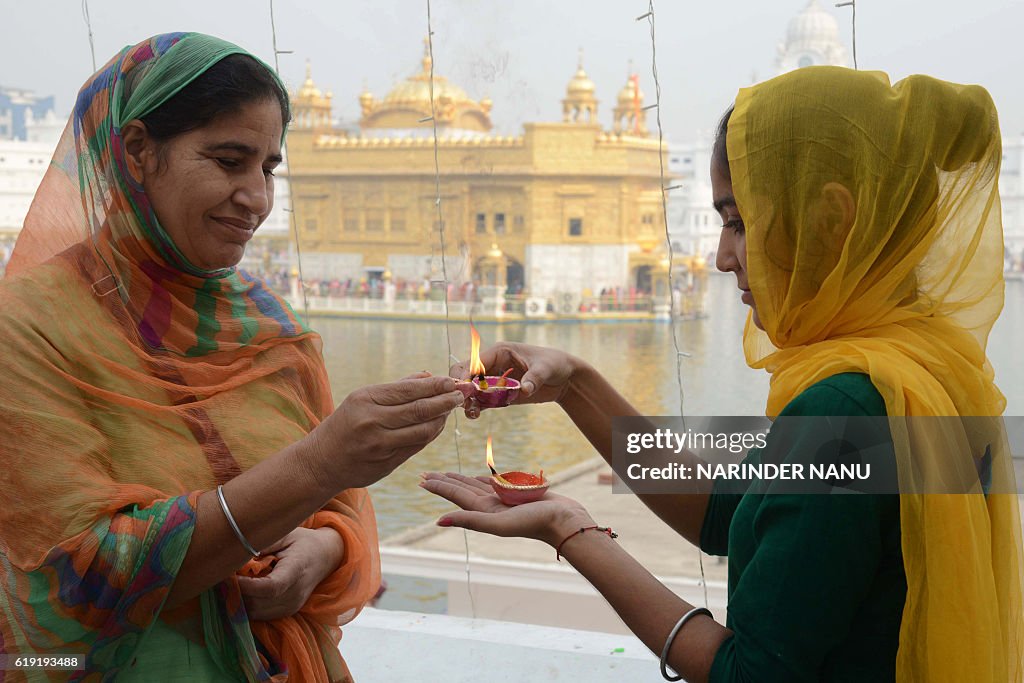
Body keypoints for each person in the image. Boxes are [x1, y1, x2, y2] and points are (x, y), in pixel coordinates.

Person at [422, 67, 1023, 682]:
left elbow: (749, 672)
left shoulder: (842, 403)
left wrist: (569, 528)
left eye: (738, 223)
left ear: (832, 219)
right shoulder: (926, 366)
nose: (721, 257)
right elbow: (727, 517)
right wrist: (575, 383)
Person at [0, 33, 465, 681]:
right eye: (228, 160)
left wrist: (327, 546)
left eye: (268, 168)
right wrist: (319, 461)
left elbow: (343, 505)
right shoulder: (26, 323)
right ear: (137, 151)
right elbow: (78, 571)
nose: (257, 199)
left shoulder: (267, 323)